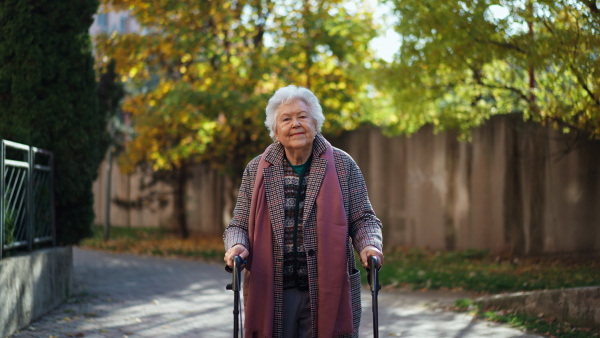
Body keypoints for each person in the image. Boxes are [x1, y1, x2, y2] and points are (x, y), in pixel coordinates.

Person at [223, 85, 383, 338]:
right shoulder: (257, 169)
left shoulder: (343, 165)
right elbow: (239, 226)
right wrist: (236, 246)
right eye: (286, 119)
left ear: (316, 123)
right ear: (275, 131)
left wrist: (370, 245)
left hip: (328, 288)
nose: (295, 124)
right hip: (273, 288)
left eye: (302, 116)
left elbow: (363, 219)